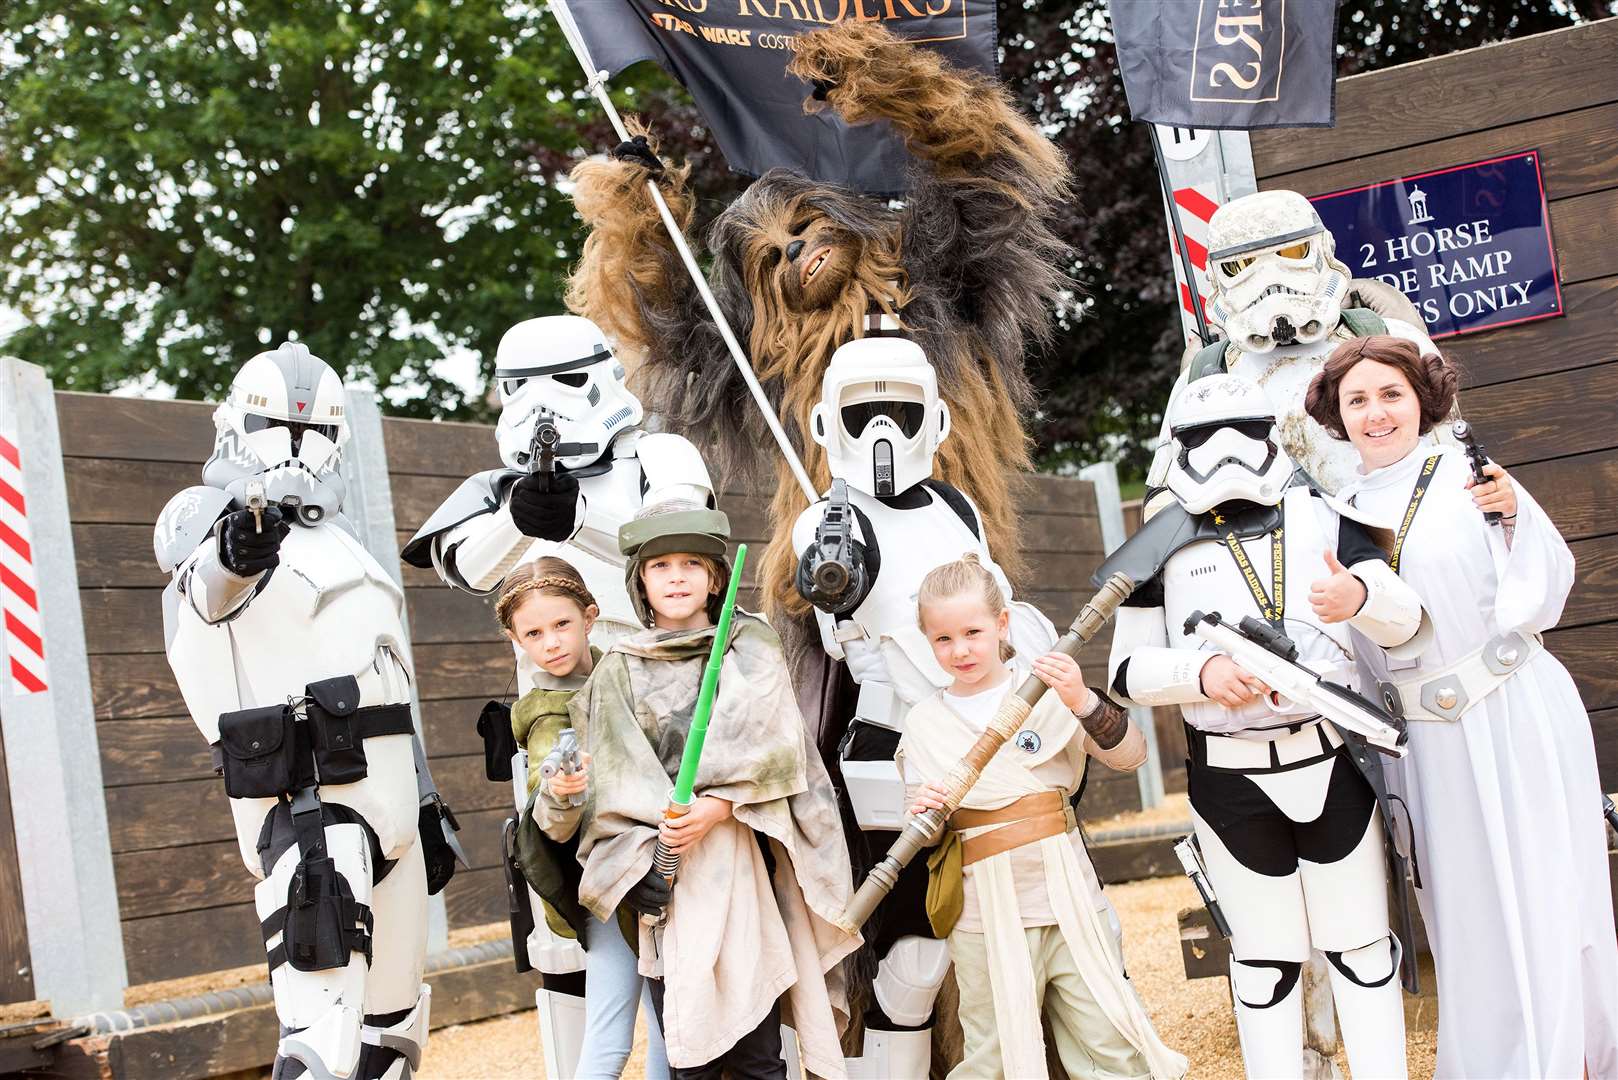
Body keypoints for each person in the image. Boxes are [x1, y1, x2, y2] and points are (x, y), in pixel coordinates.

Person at [1305, 334, 1618, 1078]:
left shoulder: (1472, 479)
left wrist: (1514, 518)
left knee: (1551, 891)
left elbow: (1544, 582)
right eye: (1358, 400)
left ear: (1424, 400)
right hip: (1430, 744)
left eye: (1392, 394)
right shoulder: (1332, 512)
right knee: (1469, 913)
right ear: (1337, 416)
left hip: (1514, 712)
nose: (1376, 412)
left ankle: (1579, 1057)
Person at [1104, 374, 1431, 1080]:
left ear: (1272, 433)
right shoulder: (1162, 537)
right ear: (1176, 447)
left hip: (1328, 757)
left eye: (1243, 430)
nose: (1222, 452)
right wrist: (1200, 675)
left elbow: (1406, 618)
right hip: (1228, 777)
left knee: (1364, 953)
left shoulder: (1323, 514)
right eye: (1199, 438)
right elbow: (1124, 670)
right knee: (1262, 965)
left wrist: (1360, 594)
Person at [155, 342, 462, 1079]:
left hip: (389, 807)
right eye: (275, 425)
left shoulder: (343, 542)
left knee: (390, 1038)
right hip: (309, 809)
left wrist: (423, 800)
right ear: (234, 423)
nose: (296, 446)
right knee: (320, 1035)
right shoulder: (211, 517)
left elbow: (385, 679)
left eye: (316, 430)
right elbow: (206, 587)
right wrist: (238, 547)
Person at [790, 335, 1058, 1078]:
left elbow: (993, 608)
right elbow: (842, 625)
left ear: (935, 421)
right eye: (863, 410)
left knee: (1018, 921)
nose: (882, 430)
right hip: (894, 741)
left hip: (986, 732)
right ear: (826, 423)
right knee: (914, 956)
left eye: (899, 410)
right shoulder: (824, 522)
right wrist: (836, 573)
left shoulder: (954, 505)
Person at [568, 501, 860, 1079]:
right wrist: (658, 846)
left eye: (691, 564)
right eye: (660, 567)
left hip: (746, 864)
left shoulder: (748, 645)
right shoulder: (618, 668)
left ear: (714, 578)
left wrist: (719, 806)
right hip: (664, 875)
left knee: (758, 1054)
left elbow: (774, 743)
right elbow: (614, 777)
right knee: (689, 1047)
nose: (676, 576)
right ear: (641, 584)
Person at [902, 555, 1187, 1080]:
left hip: (1069, 896)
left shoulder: (1048, 695)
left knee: (1110, 1041)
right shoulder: (922, 724)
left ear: (1002, 625)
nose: (960, 649)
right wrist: (925, 810)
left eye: (973, 632)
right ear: (927, 641)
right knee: (993, 1055)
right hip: (983, 915)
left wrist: (1080, 698)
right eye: (943, 639)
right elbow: (924, 833)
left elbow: (1131, 755)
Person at [1144, 189, 1440, 506]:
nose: (1270, 278)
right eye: (1241, 265)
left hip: (1402, 530)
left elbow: (1449, 455)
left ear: (1324, 250)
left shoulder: (1390, 337)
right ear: (1216, 277)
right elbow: (1163, 501)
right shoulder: (1206, 377)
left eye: (1291, 253)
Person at [494, 557, 669, 1080]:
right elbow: (549, 809)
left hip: (660, 867)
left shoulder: (624, 672)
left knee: (667, 1027)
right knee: (611, 1035)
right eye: (534, 632)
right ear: (516, 640)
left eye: (562, 624)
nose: (551, 642)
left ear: (590, 617)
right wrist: (560, 792)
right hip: (607, 884)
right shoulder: (544, 711)